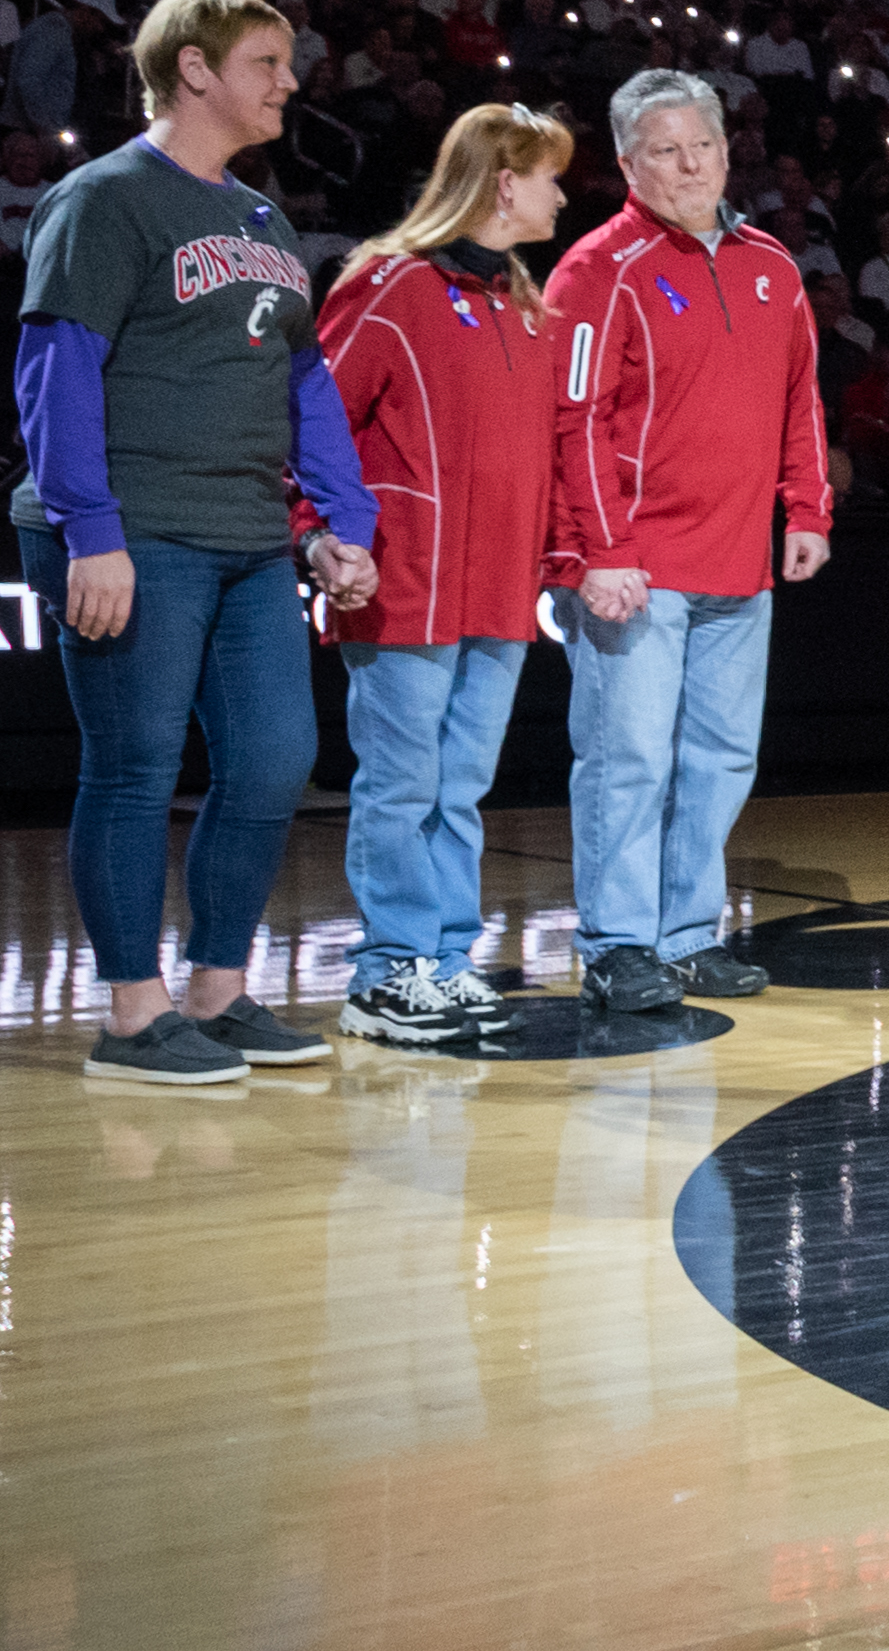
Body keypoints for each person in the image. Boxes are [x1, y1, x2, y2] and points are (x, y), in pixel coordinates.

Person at [10, 0, 383, 1085]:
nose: (289, 81)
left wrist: (336, 521)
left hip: (246, 535)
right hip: (133, 530)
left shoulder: (262, 219)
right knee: (133, 768)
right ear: (193, 70)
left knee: (275, 758)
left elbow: (303, 383)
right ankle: (132, 1016)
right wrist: (92, 531)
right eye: (267, 61)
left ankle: (218, 990)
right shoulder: (105, 198)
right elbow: (56, 371)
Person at [547, 67, 833, 1013]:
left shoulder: (774, 267)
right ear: (627, 162)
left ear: (724, 148)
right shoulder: (598, 267)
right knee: (627, 758)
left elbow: (800, 402)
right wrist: (599, 549)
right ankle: (619, 943)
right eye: (663, 150)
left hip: (739, 566)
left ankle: (684, 935)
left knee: (718, 760)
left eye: (700, 144)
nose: (687, 165)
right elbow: (574, 417)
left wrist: (808, 510)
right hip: (637, 566)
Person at [317, 103, 576, 1047]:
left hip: (499, 596)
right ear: (504, 181)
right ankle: (384, 973)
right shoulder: (390, 282)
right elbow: (316, 420)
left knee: (458, 787)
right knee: (401, 785)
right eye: (549, 174)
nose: (560, 193)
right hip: (405, 584)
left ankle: (444, 960)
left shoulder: (528, 306)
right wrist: (321, 533)